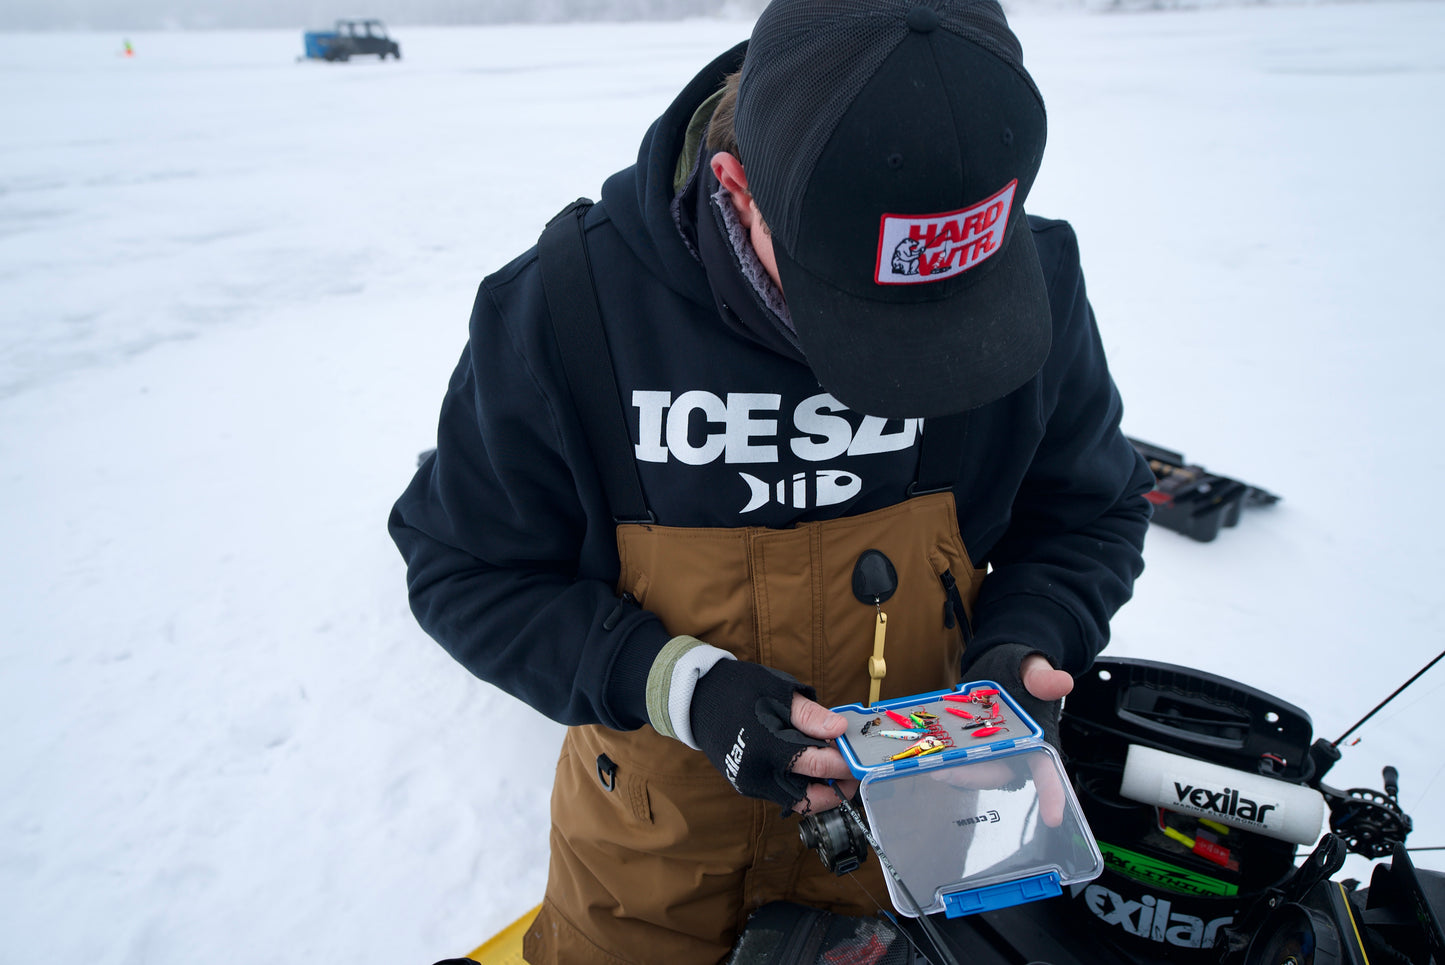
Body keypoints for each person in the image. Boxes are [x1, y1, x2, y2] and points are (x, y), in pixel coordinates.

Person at [389, 0, 1154, 961]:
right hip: (654, 870)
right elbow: (466, 569)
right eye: (860, 311)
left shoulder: (1033, 280)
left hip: (942, 849)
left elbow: (1085, 512)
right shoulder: (562, 309)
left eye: (948, 317)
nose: (906, 365)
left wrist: (1025, 641)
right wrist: (677, 686)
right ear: (736, 187)